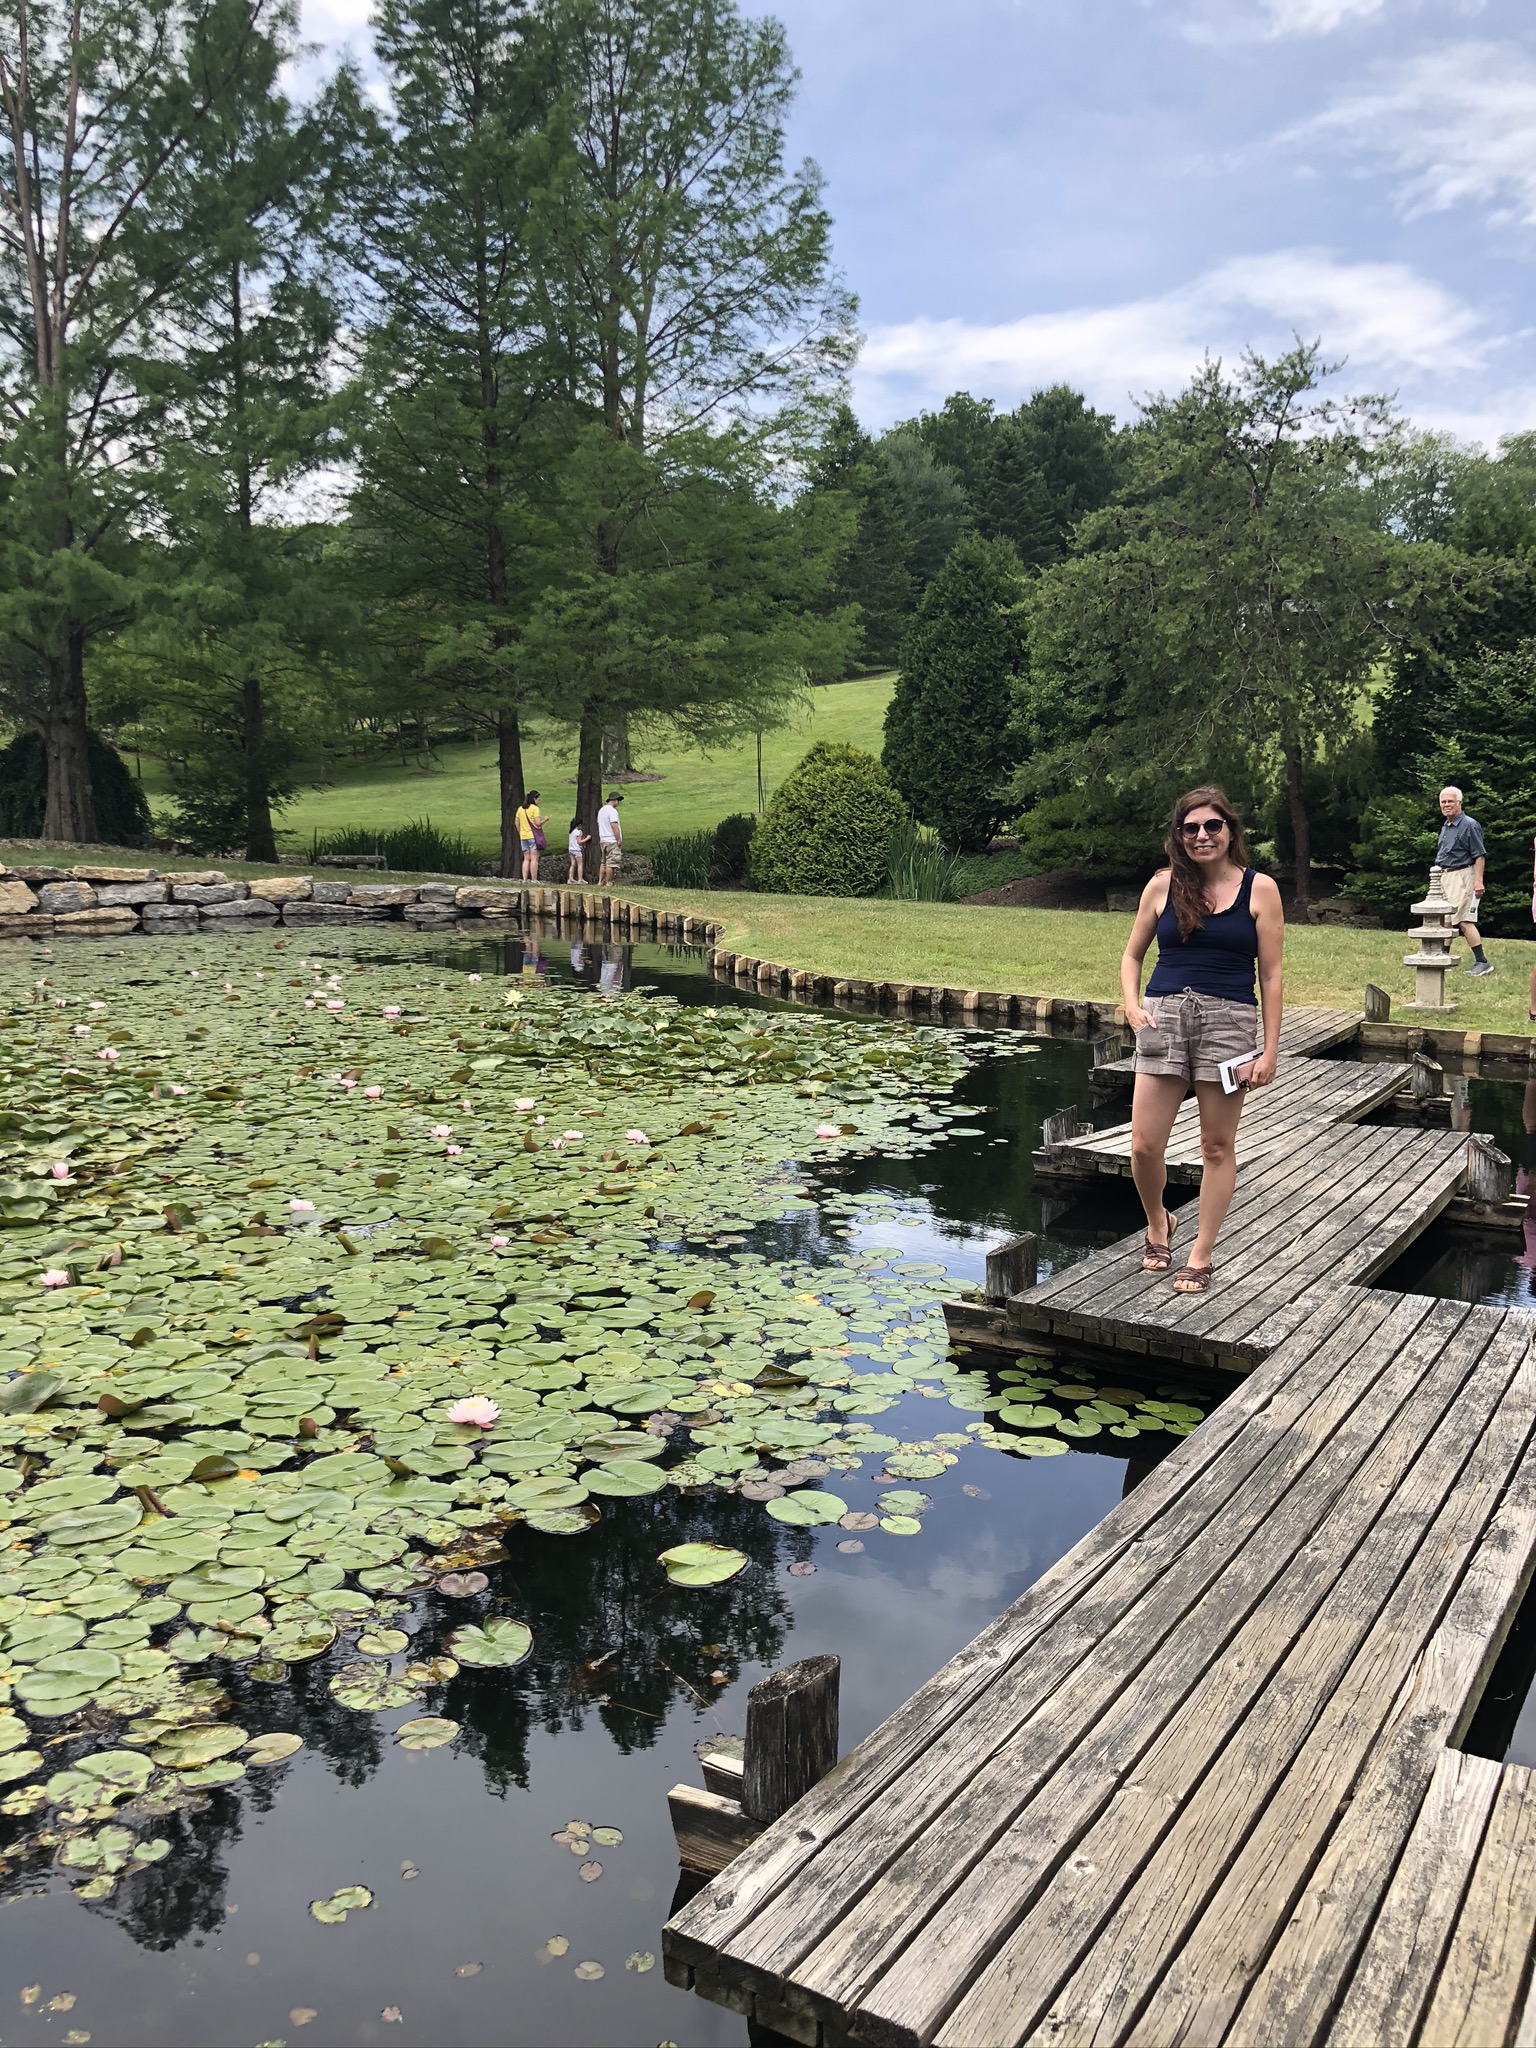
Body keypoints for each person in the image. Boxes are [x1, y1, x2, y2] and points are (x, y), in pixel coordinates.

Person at [1120, 786, 1284, 1295]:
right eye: (1190, 828)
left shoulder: (1261, 889)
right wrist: (1131, 1004)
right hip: (1164, 1016)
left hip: (1230, 1022)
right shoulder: (1161, 886)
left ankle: (1201, 1253)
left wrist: (1270, 1050)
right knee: (1144, 1146)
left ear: (1230, 830)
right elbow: (1132, 956)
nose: (1202, 835)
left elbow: (1272, 975)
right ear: (1179, 836)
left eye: (1212, 825)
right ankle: (1157, 1222)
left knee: (1217, 1145)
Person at [1436, 786, 1493, 977]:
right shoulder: (1446, 825)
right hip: (1445, 877)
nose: (1446, 805)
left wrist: (1478, 881)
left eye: (1450, 801)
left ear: (1459, 802)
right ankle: (1443, 958)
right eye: (1443, 802)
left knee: (1464, 920)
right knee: (1446, 919)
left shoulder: (1470, 825)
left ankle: (1482, 961)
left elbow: (1479, 855)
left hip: (1462, 876)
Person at [515, 789, 544, 883]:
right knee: (534, 858)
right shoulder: (535, 809)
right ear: (534, 799)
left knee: (526, 858)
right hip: (533, 836)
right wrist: (545, 820)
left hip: (523, 836)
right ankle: (534, 879)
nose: (539, 801)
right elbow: (538, 823)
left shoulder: (521, 809)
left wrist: (520, 832)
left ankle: (524, 879)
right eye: (538, 799)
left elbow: (516, 822)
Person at [597, 790, 623, 883]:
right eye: (618, 800)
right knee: (611, 863)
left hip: (603, 840)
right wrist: (618, 839)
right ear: (614, 800)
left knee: (603, 862)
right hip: (611, 840)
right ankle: (609, 882)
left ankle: (600, 882)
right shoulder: (612, 811)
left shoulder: (601, 810)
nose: (619, 802)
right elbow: (614, 826)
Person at [567, 817, 589, 885]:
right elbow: (579, 842)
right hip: (576, 850)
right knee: (580, 864)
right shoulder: (579, 832)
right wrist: (587, 838)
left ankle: (570, 878)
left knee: (573, 864)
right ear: (579, 825)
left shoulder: (571, 832)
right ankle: (580, 879)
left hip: (571, 850)